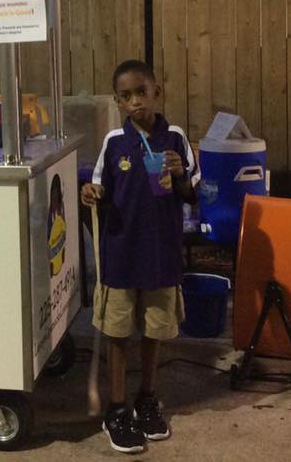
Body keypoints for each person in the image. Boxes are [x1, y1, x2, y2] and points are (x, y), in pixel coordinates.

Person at [80, 59, 197, 454]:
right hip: (121, 256)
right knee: (117, 334)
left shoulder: (175, 138)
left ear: (156, 92)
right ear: (117, 101)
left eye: (141, 93)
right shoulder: (114, 143)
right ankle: (116, 409)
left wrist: (181, 173)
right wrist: (91, 194)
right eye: (125, 96)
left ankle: (147, 399)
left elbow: (194, 195)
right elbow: (99, 188)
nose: (135, 102)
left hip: (162, 256)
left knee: (153, 332)